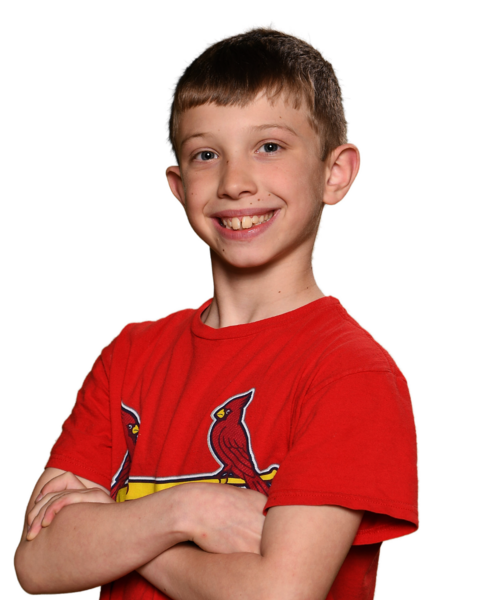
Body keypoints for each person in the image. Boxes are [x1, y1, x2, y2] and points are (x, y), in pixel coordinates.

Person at [13, 25, 419, 599]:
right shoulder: (129, 355)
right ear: (179, 187)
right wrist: (189, 510)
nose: (234, 183)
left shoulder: (351, 373)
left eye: (269, 147)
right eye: (207, 155)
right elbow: (39, 563)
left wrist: (120, 534)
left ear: (336, 173)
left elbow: (279, 593)